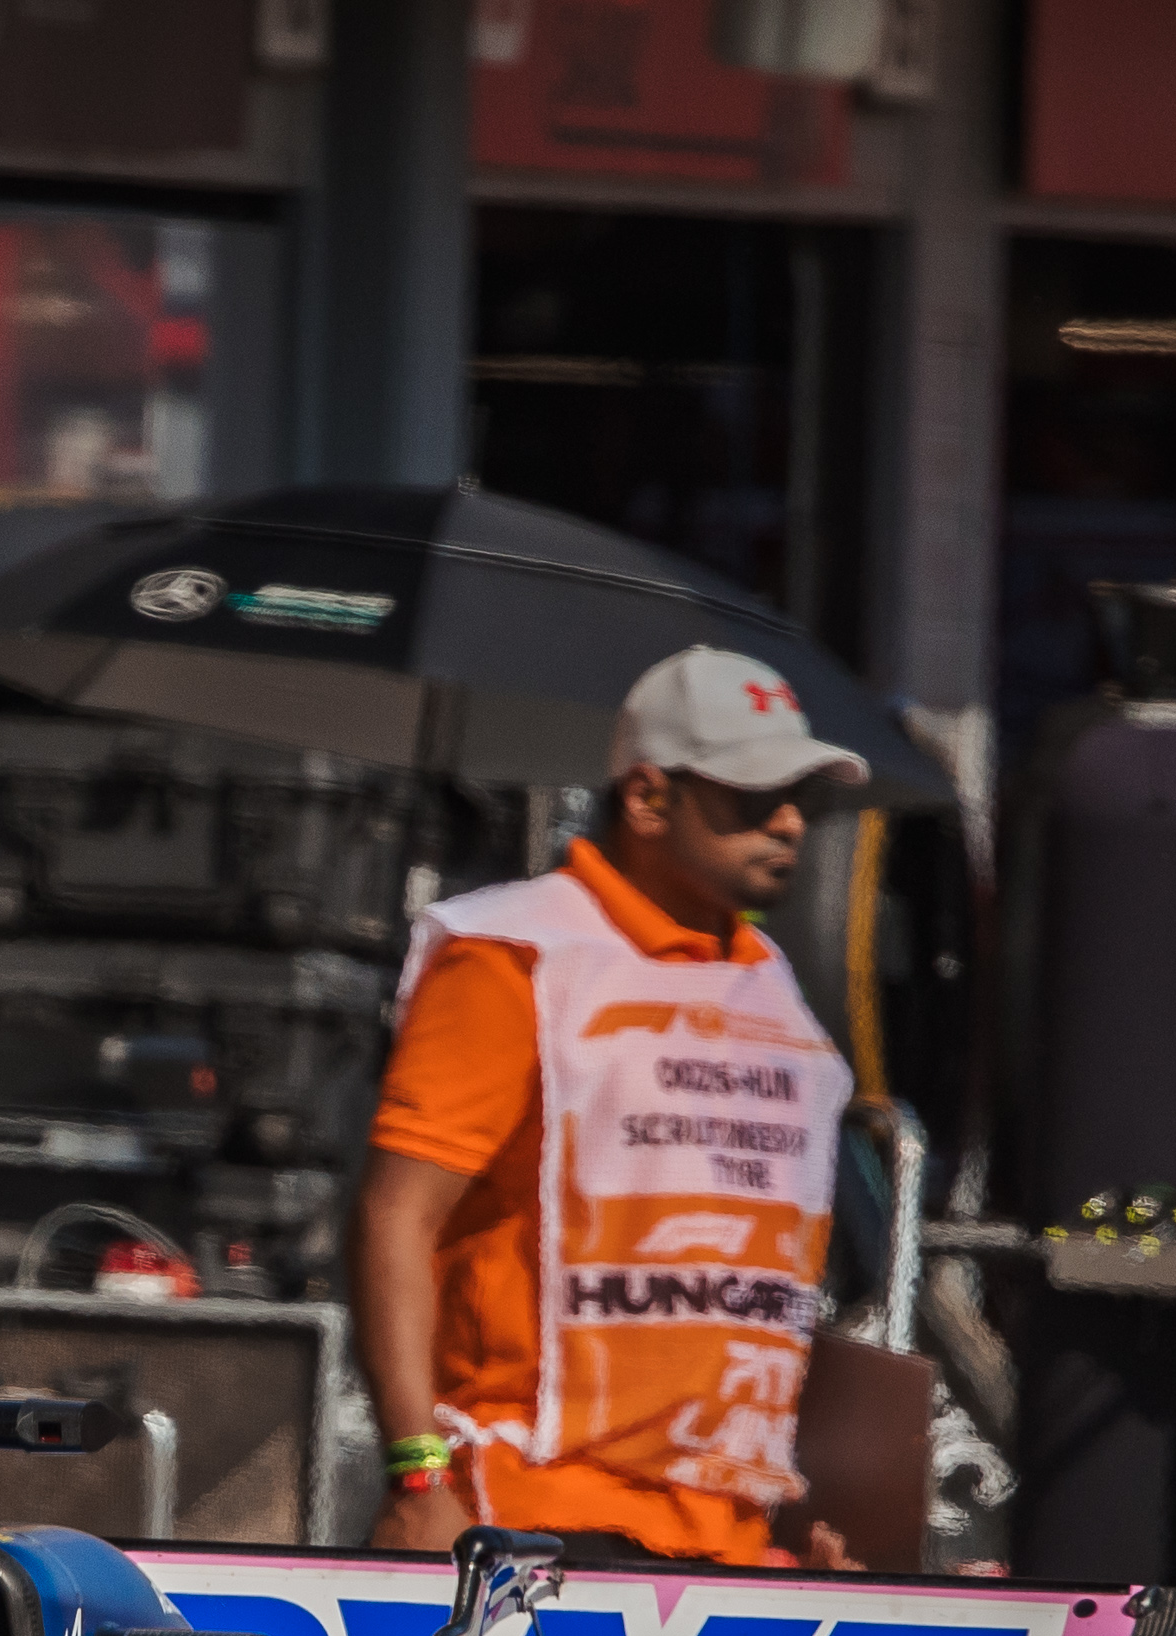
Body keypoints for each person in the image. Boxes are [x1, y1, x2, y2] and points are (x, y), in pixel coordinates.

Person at [362, 646, 864, 1573]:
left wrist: (807, 1510)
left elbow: (770, 1281)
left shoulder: (772, 986)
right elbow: (399, 1213)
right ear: (646, 799)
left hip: (739, 1542)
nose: (789, 824)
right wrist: (417, 1475)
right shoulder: (518, 952)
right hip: (537, 1515)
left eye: (802, 798)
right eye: (752, 798)